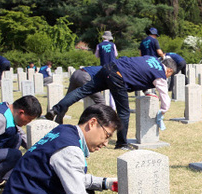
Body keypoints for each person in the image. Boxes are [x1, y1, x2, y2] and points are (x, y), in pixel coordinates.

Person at [46, 55, 181, 149]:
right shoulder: (160, 75)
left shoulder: (151, 59)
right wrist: (163, 111)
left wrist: (147, 91)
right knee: (124, 112)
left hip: (108, 67)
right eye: (170, 75)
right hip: (119, 77)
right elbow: (165, 98)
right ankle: (121, 143)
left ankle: (56, 109)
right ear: (169, 70)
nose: (167, 77)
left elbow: (140, 72)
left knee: (82, 91)